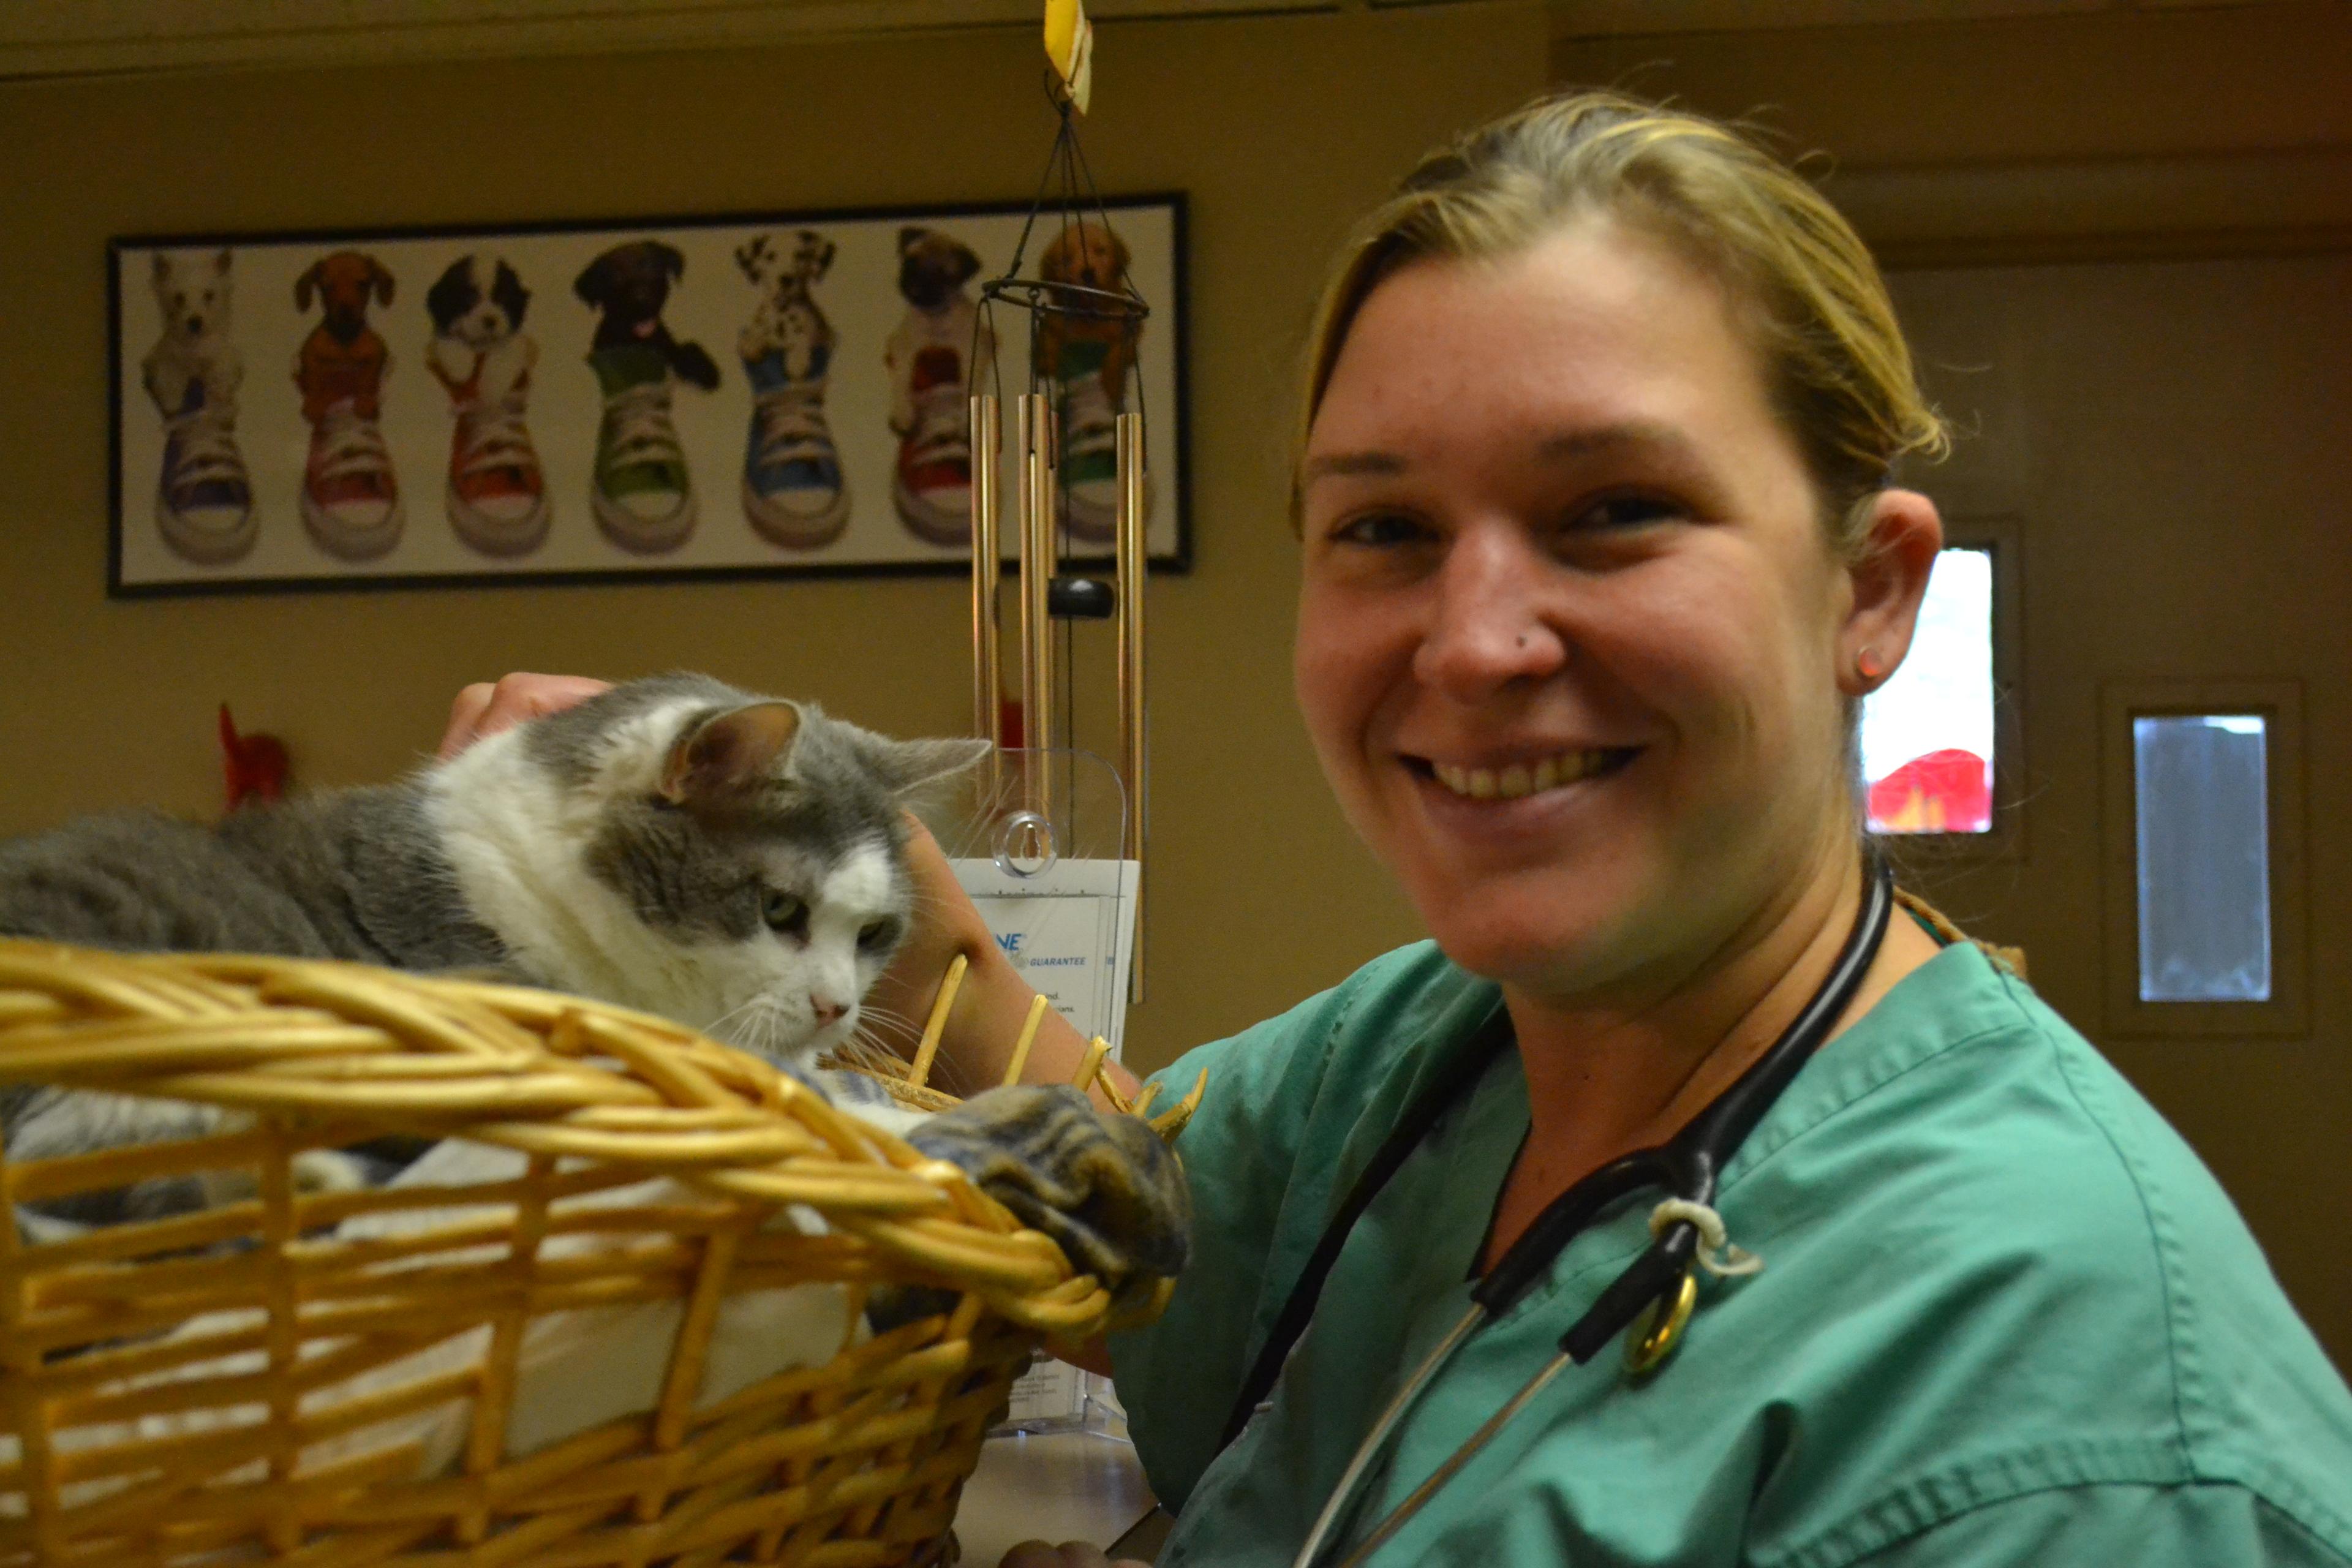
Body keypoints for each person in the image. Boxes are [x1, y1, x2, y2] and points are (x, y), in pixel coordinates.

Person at [444, 92, 2352, 1567]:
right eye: (1383, 530)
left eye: (1613, 511)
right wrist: (746, 857)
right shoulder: (1430, 1063)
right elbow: (1115, 1201)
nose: (1474, 639)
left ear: (1870, 592)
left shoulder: (2082, 1418)